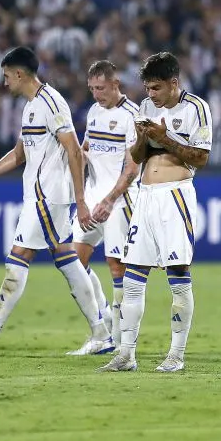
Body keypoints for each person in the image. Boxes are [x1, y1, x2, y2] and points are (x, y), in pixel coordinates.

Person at [0, 47, 112, 356]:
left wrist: (80, 199)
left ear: (20, 74)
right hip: (42, 196)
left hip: (48, 197)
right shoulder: (31, 106)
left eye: (7, 76)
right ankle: (101, 332)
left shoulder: (51, 103)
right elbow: (20, 154)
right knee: (67, 259)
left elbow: (74, 150)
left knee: (19, 257)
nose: (5, 82)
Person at [98, 52, 212, 373]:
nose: (150, 94)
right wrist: (143, 140)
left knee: (177, 276)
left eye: (156, 88)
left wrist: (166, 138)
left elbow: (201, 158)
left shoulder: (196, 108)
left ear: (174, 83)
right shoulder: (147, 108)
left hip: (175, 197)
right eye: (147, 88)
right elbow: (137, 155)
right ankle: (125, 354)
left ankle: (176, 355)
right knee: (133, 276)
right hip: (145, 197)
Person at [67, 60, 140, 354]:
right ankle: (103, 324)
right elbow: (87, 150)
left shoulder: (132, 116)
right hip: (94, 197)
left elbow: (132, 168)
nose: (97, 94)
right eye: (92, 89)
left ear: (115, 83)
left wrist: (110, 201)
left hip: (120, 199)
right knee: (74, 264)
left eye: (101, 88)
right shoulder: (94, 112)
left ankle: (122, 341)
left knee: (116, 265)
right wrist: (75, 156)